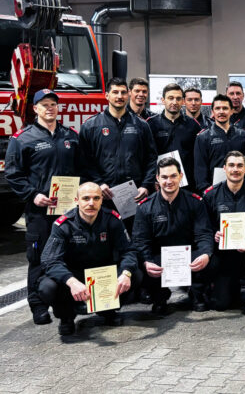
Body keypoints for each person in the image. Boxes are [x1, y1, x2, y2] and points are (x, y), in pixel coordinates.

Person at [5, 89, 81, 325]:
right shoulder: (21, 139)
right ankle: (38, 306)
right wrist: (33, 195)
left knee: (68, 255)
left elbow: (82, 169)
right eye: (44, 104)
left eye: (53, 104)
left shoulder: (71, 136)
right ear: (36, 109)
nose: (50, 108)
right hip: (40, 213)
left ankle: (66, 302)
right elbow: (13, 174)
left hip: (69, 211)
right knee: (38, 258)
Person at [38, 183, 141, 335]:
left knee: (135, 274)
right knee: (47, 287)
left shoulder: (112, 219)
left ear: (101, 200)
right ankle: (66, 317)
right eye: (86, 198)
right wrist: (71, 281)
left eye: (96, 198)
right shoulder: (63, 225)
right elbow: (49, 260)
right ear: (77, 200)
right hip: (74, 277)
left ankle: (108, 310)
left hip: (103, 275)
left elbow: (129, 250)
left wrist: (126, 274)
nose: (91, 203)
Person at [132, 157, 215, 314]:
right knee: (140, 261)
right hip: (159, 257)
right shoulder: (145, 207)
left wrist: (205, 254)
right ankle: (160, 297)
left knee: (211, 257)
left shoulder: (195, 202)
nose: (168, 181)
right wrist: (147, 262)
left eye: (173, 176)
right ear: (157, 178)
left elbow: (204, 234)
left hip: (189, 254)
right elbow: (140, 241)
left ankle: (197, 294)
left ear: (181, 176)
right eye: (164, 177)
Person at [202, 151, 245, 314]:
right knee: (221, 304)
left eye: (239, 166)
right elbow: (205, 227)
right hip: (224, 251)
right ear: (224, 169)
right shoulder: (210, 195)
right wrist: (214, 234)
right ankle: (220, 290)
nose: (235, 169)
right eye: (231, 165)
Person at [79, 77, 157, 207]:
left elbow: (151, 158)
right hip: (103, 195)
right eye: (115, 92)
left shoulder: (141, 125)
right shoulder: (90, 126)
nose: (119, 96)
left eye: (123, 92)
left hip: (135, 195)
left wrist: (146, 185)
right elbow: (84, 162)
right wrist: (99, 184)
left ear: (128, 95)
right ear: (107, 95)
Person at [146, 83, 202, 190]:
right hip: (160, 183)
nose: (174, 102)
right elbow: (146, 156)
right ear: (163, 100)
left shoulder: (193, 125)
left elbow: (198, 158)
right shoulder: (151, 124)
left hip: (187, 185)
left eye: (178, 98)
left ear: (183, 101)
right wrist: (152, 179)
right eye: (170, 98)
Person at [194, 95, 245, 191]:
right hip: (213, 191)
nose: (221, 112)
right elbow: (200, 169)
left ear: (231, 111)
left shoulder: (243, 135)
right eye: (218, 108)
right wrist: (206, 192)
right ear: (213, 112)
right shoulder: (203, 138)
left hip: (241, 190)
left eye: (225, 108)